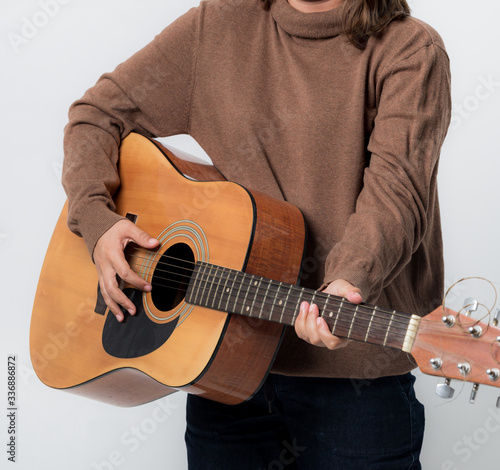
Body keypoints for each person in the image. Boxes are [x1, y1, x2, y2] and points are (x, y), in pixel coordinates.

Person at [62, 0, 451, 468]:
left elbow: (398, 191)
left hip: (355, 383)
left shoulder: (411, 49)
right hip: (223, 366)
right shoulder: (219, 23)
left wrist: (349, 280)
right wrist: (97, 219)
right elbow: (97, 115)